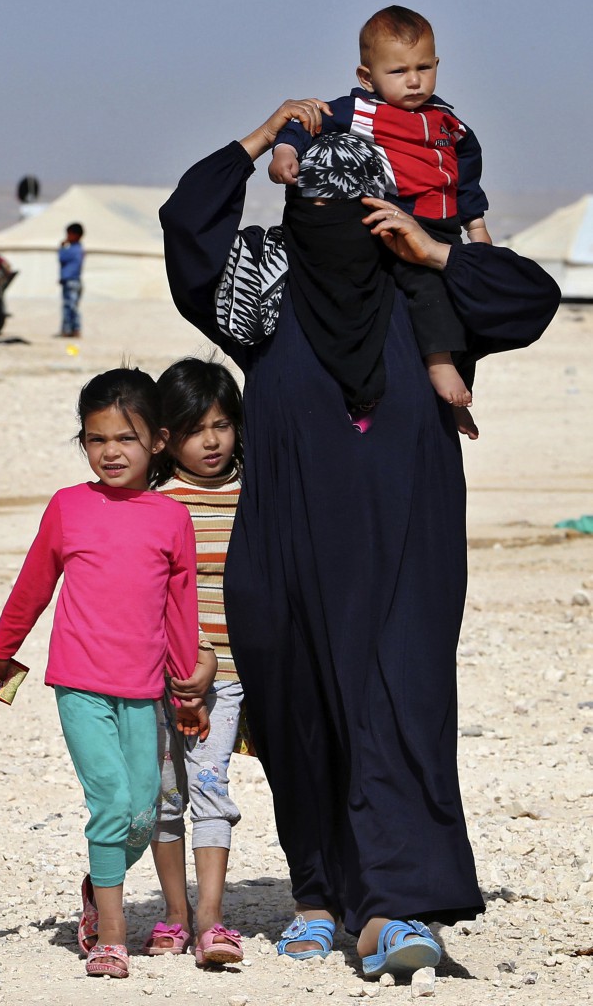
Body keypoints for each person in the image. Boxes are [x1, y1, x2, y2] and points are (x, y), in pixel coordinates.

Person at [159, 98, 560, 980]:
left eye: (353, 218)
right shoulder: (262, 292)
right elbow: (188, 222)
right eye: (314, 217)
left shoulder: (425, 299)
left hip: (404, 562)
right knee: (302, 721)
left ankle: (395, 907)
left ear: (384, 217)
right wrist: (262, 137)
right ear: (293, 221)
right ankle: (317, 895)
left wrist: (436, 248)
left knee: (398, 709)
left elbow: (533, 296)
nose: (332, 236)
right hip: (289, 556)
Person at [0, 367, 215, 980]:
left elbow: (179, 610)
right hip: (80, 684)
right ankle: (112, 935)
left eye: (126, 438)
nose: (110, 452)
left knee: (143, 810)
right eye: (96, 439)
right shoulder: (68, 507)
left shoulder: (171, 518)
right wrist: (3, 648)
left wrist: (188, 684)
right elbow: (34, 584)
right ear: (83, 441)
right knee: (111, 801)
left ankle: (97, 885)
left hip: (145, 692)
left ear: (158, 440)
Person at [269, 5, 491, 410]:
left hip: (445, 229)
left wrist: (476, 227)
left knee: (465, 305)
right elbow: (307, 120)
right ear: (366, 77)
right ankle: (438, 365)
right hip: (400, 225)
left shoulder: (450, 123)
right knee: (427, 287)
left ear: (437, 64)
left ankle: (457, 398)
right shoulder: (363, 111)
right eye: (398, 71)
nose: (413, 80)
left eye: (424, 67)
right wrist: (285, 148)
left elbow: (467, 178)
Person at [145, 357, 246, 967]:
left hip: (229, 677)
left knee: (211, 790)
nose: (210, 441)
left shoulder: (258, 496)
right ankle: (174, 915)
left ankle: (210, 919)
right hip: (160, 678)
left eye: (222, 425)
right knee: (162, 797)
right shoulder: (156, 504)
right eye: (192, 428)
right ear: (165, 437)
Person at [58, 222, 84, 338]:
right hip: (73, 281)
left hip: (71, 281)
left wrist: (62, 247)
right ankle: (72, 329)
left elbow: (62, 258)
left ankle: (70, 329)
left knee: (70, 306)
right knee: (71, 306)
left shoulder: (73, 249)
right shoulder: (79, 249)